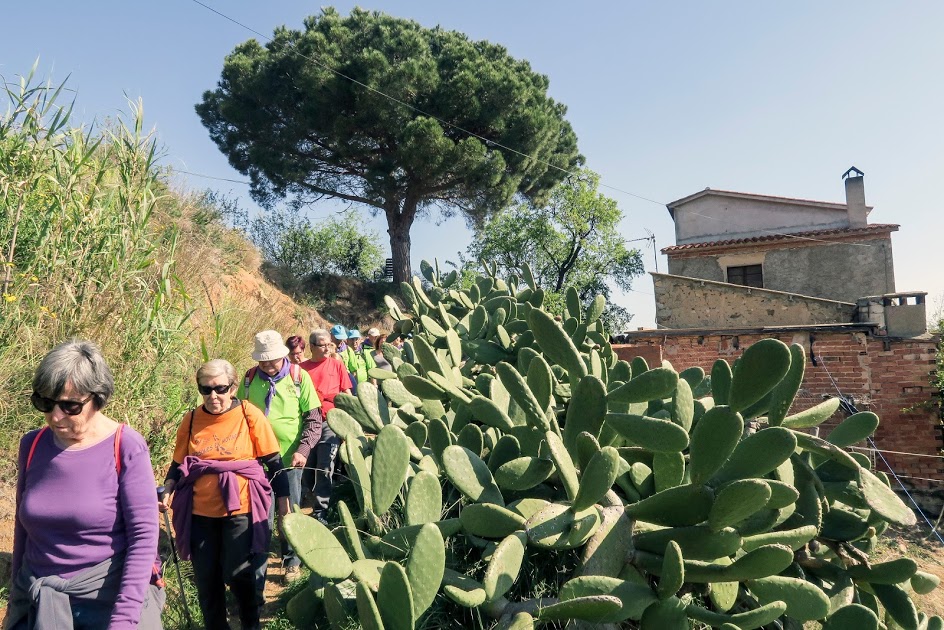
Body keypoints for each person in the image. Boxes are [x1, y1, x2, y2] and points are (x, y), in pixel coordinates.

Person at [7, 339, 162, 629]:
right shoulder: (32, 445)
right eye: (45, 402)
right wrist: (16, 601)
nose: (55, 416)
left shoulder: (125, 445)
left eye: (70, 406)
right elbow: (22, 532)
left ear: (98, 399)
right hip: (39, 602)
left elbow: (143, 538)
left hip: (104, 605)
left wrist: (125, 619)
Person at [159, 359, 289, 630]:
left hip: (240, 508)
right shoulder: (192, 418)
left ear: (232, 387)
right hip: (200, 512)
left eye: (220, 388)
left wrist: (283, 504)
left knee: (238, 572)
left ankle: (250, 623)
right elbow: (178, 462)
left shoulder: (249, 414)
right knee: (207, 579)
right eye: (206, 389)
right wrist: (169, 487)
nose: (213, 396)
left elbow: (274, 462)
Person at [236, 330, 322, 579]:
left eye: (271, 360)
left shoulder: (298, 377)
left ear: (282, 356)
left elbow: (314, 420)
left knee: (289, 511)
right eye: (262, 360)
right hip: (257, 462)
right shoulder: (250, 378)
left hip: (289, 459)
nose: (267, 364)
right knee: (262, 514)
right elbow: (240, 415)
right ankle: (258, 569)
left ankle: (292, 561)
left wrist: (303, 450)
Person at [299, 329, 353, 523]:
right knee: (307, 465)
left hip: (330, 421)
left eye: (330, 344)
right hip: (306, 422)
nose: (327, 348)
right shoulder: (301, 369)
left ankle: (321, 510)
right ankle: (304, 500)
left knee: (325, 466)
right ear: (312, 346)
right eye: (322, 344)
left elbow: (347, 394)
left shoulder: (338, 366)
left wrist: (349, 422)